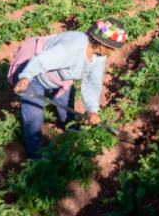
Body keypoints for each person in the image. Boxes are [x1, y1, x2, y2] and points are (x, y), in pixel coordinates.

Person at [9, 18, 127, 158]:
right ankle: (36, 157)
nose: (112, 51)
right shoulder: (70, 48)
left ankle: (73, 133)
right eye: (111, 48)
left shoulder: (99, 57)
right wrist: (25, 77)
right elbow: (39, 61)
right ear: (102, 44)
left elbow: (93, 82)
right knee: (34, 117)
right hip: (34, 72)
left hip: (60, 77)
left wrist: (92, 110)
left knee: (66, 106)